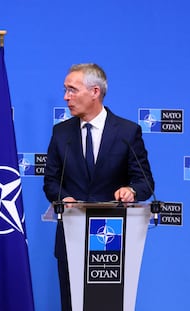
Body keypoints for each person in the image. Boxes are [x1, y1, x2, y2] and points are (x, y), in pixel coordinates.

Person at [43, 63, 154, 311]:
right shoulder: (61, 134)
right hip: (71, 237)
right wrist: (65, 197)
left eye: (72, 90)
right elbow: (51, 181)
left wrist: (131, 191)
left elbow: (145, 181)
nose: (65, 97)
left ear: (95, 92)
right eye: (65, 90)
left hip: (111, 240)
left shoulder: (127, 131)